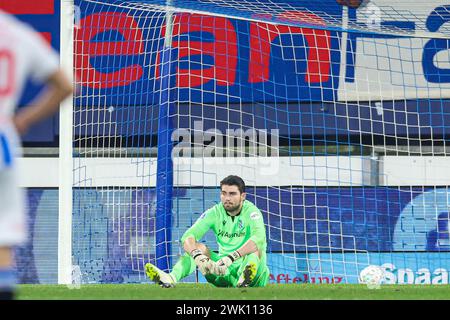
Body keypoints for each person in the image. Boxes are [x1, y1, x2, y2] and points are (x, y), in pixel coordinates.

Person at [0, 11, 72, 299]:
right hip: (2, 142)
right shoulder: (16, 32)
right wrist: (25, 119)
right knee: (3, 240)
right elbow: (66, 85)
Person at [145, 175, 270, 288]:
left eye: (232, 194)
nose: (227, 198)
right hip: (223, 270)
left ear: (243, 196)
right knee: (197, 248)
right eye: (224, 193)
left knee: (256, 249)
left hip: (255, 276)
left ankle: (245, 277)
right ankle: (170, 278)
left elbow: (259, 238)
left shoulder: (252, 212)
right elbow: (187, 236)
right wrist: (197, 256)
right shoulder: (214, 212)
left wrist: (232, 257)